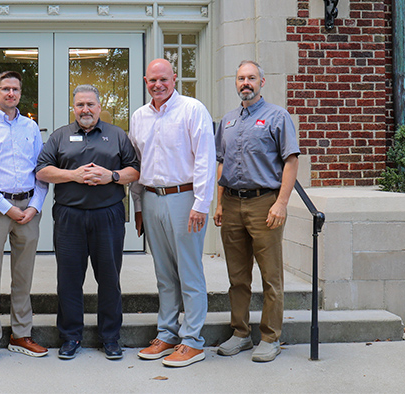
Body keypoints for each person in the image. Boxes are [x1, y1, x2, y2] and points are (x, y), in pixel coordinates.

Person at [36, 84, 140, 360]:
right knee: (69, 280)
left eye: (90, 105)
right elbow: (42, 171)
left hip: (108, 216)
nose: (85, 110)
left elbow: (134, 171)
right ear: (74, 108)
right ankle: (70, 337)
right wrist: (73, 176)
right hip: (70, 217)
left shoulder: (117, 135)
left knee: (109, 278)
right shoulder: (59, 136)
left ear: (99, 106)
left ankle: (111, 337)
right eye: (80, 105)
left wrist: (112, 176)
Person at [129, 58, 215, 368]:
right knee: (164, 274)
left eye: (163, 79)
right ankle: (166, 333)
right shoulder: (139, 117)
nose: (158, 85)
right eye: (152, 80)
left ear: (174, 79)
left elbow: (206, 158)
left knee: (189, 271)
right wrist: (138, 207)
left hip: (185, 197)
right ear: (145, 81)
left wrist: (201, 204)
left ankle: (192, 340)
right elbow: (138, 165)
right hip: (151, 198)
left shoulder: (192, 110)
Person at [213, 60, 299, 363]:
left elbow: (290, 161)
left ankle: (270, 337)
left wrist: (281, 203)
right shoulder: (228, 120)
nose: (245, 83)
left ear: (262, 81)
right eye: (240, 78)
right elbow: (220, 162)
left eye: (251, 78)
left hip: (265, 202)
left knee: (271, 276)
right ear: (235, 83)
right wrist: (220, 202)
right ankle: (240, 333)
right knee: (237, 275)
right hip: (233, 203)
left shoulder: (278, 117)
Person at [0, 71, 49, 364]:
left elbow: (41, 171)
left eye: (15, 89)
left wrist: (35, 206)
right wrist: (6, 208)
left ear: (20, 93)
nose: (11, 93)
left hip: (27, 208)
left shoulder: (30, 127)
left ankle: (20, 334)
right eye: (5, 89)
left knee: (23, 275)